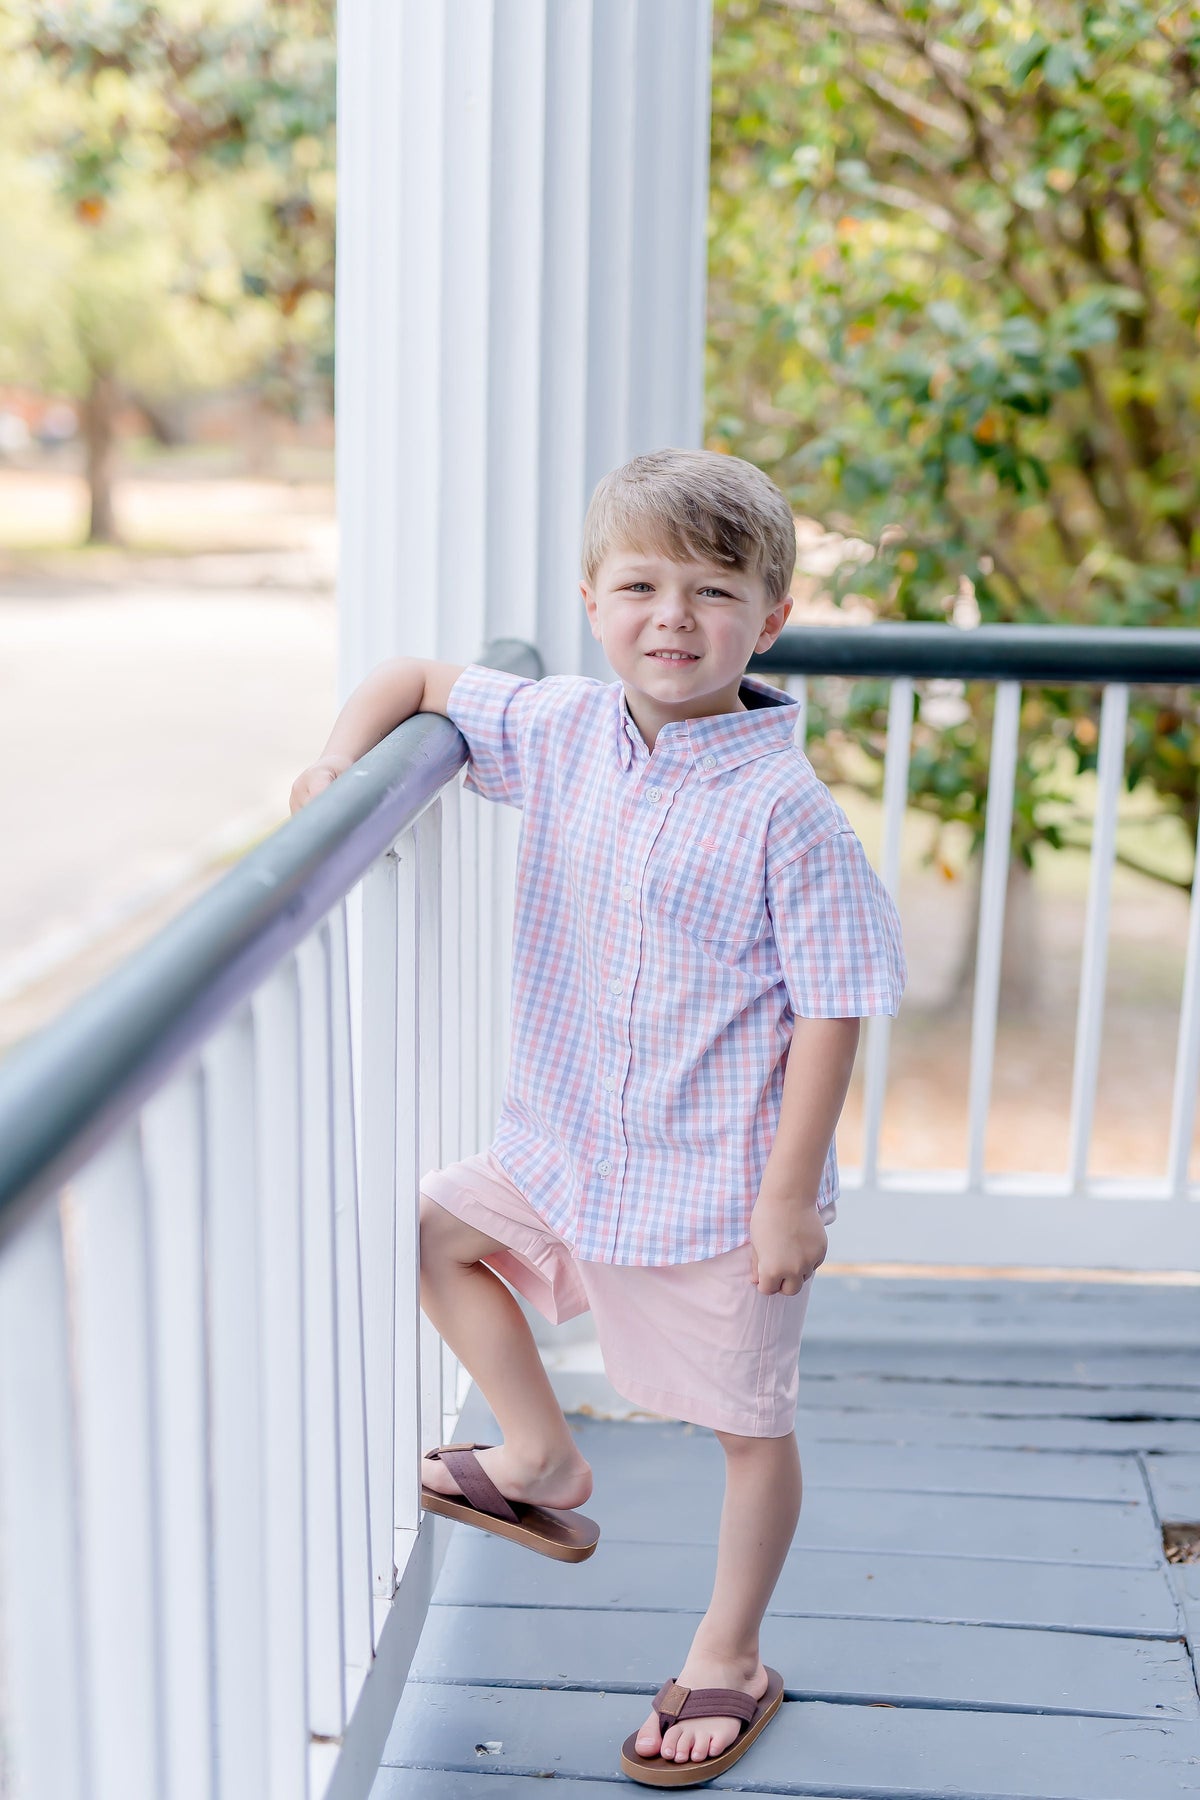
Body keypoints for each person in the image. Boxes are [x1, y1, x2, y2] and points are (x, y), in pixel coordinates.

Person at [290, 447, 906, 1787]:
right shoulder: (566, 727)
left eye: (713, 591)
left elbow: (837, 1003)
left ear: (771, 619)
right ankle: (539, 1452)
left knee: (748, 1425)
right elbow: (409, 677)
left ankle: (731, 1654)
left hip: (713, 1180)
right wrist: (339, 769)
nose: (672, 618)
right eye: (640, 586)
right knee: (433, 1235)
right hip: (566, 1142)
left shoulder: (786, 815)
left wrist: (790, 1194)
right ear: (590, 600)